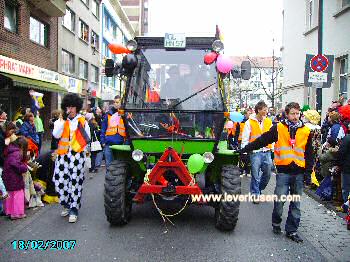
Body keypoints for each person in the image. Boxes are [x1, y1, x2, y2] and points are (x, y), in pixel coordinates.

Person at [241, 102, 313, 243]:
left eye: (297, 113)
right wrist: (245, 149)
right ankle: (276, 222)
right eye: (292, 113)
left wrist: (308, 173)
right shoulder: (278, 128)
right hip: (283, 172)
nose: (295, 116)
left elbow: (310, 154)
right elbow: (262, 140)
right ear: (287, 114)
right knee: (279, 202)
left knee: (295, 203)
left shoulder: (306, 131)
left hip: (298, 172)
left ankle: (291, 230)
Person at [52, 93, 90, 223]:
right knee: (59, 180)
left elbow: (87, 139)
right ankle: (66, 204)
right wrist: (63, 121)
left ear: (77, 107)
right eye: (68, 106)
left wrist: (84, 155)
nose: (70, 109)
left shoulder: (83, 121)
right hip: (62, 155)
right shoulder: (61, 121)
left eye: (73, 107)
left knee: (75, 181)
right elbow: (56, 135)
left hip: (77, 155)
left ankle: (74, 208)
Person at [241, 101, 273, 202]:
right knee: (255, 175)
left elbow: (273, 136)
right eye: (264, 109)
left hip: (267, 151)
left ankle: (258, 189)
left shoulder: (268, 121)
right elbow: (245, 138)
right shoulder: (249, 122)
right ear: (259, 110)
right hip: (255, 152)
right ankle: (255, 194)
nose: (266, 111)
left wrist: (273, 148)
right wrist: (245, 152)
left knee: (267, 174)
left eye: (266, 109)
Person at [2, 136, 29, 219]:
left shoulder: (10, 150)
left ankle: (9, 212)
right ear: (22, 146)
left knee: (10, 195)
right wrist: (25, 167)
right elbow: (17, 165)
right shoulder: (17, 153)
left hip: (7, 176)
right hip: (15, 178)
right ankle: (17, 213)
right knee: (18, 195)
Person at [100, 95, 126, 168]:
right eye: (114, 102)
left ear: (121, 103)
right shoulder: (108, 115)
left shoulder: (124, 114)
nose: (115, 104)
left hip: (121, 144)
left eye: (117, 102)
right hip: (109, 144)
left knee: (120, 167)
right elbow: (103, 129)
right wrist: (103, 142)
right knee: (109, 166)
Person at [336, 134, 350, 212]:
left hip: (347, 168)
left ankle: (346, 207)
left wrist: (338, 164)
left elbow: (341, 152)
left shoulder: (347, 138)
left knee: (346, 188)